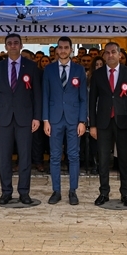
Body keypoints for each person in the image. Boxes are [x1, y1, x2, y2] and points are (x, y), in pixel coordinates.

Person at [0, 33, 42, 205]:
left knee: (25, 158)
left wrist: (37, 117)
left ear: (21, 46)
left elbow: (37, 95)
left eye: (16, 43)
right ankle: (6, 192)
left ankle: (24, 192)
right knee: (4, 158)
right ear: (5, 46)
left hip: (25, 118)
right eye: (10, 43)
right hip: (3, 118)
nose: (13, 45)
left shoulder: (31, 66)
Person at [84, 41, 127, 206]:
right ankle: (104, 192)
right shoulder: (97, 74)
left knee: (124, 159)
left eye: (114, 52)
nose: (110, 55)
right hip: (103, 122)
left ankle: (125, 193)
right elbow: (92, 101)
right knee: (104, 159)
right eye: (107, 52)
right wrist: (92, 125)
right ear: (104, 55)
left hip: (124, 121)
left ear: (120, 54)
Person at [42, 37, 88, 205]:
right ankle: (56, 191)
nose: (63, 50)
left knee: (74, 156)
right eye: (60, 47)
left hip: (74, 119)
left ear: (71, 50)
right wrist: (45, 120)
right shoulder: (48, 70)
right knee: (54, 156)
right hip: (54, 119)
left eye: (66, 47)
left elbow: (84, 98)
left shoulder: (79, 70)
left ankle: (73, 191)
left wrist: (83, 121)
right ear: (56, 50)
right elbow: (45, 95)